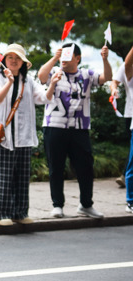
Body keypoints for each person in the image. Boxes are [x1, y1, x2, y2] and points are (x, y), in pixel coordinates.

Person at [37, 43, 112, 219]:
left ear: (77, 58)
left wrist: (105, 59)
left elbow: (106, 77)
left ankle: (86, 204)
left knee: (85, 167)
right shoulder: (54, 72)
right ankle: (57, 205)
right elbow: (41, 76)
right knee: (56, 166)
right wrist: (55, 57)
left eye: (68, 55)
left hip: (80, 128)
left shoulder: (86, 74)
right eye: (62, 55)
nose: (64, 59)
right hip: (54, 126)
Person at [0, 44, 52, 225]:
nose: (14, 61)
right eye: (10, 58)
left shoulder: (28, 81)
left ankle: (20, 213)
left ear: (23, 62)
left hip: (24, 135)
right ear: (5, 61)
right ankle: (1, 214)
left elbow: (44, 98)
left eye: (18, 58)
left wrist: (52, 84)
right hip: (5, 135)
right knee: (4, 176)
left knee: (22, 176)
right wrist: (8, 82)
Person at [110, 44, 133, 214]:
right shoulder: (129, 71)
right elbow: (125, 67)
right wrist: (114, 90)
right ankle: (130, 200)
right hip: (130, 115)